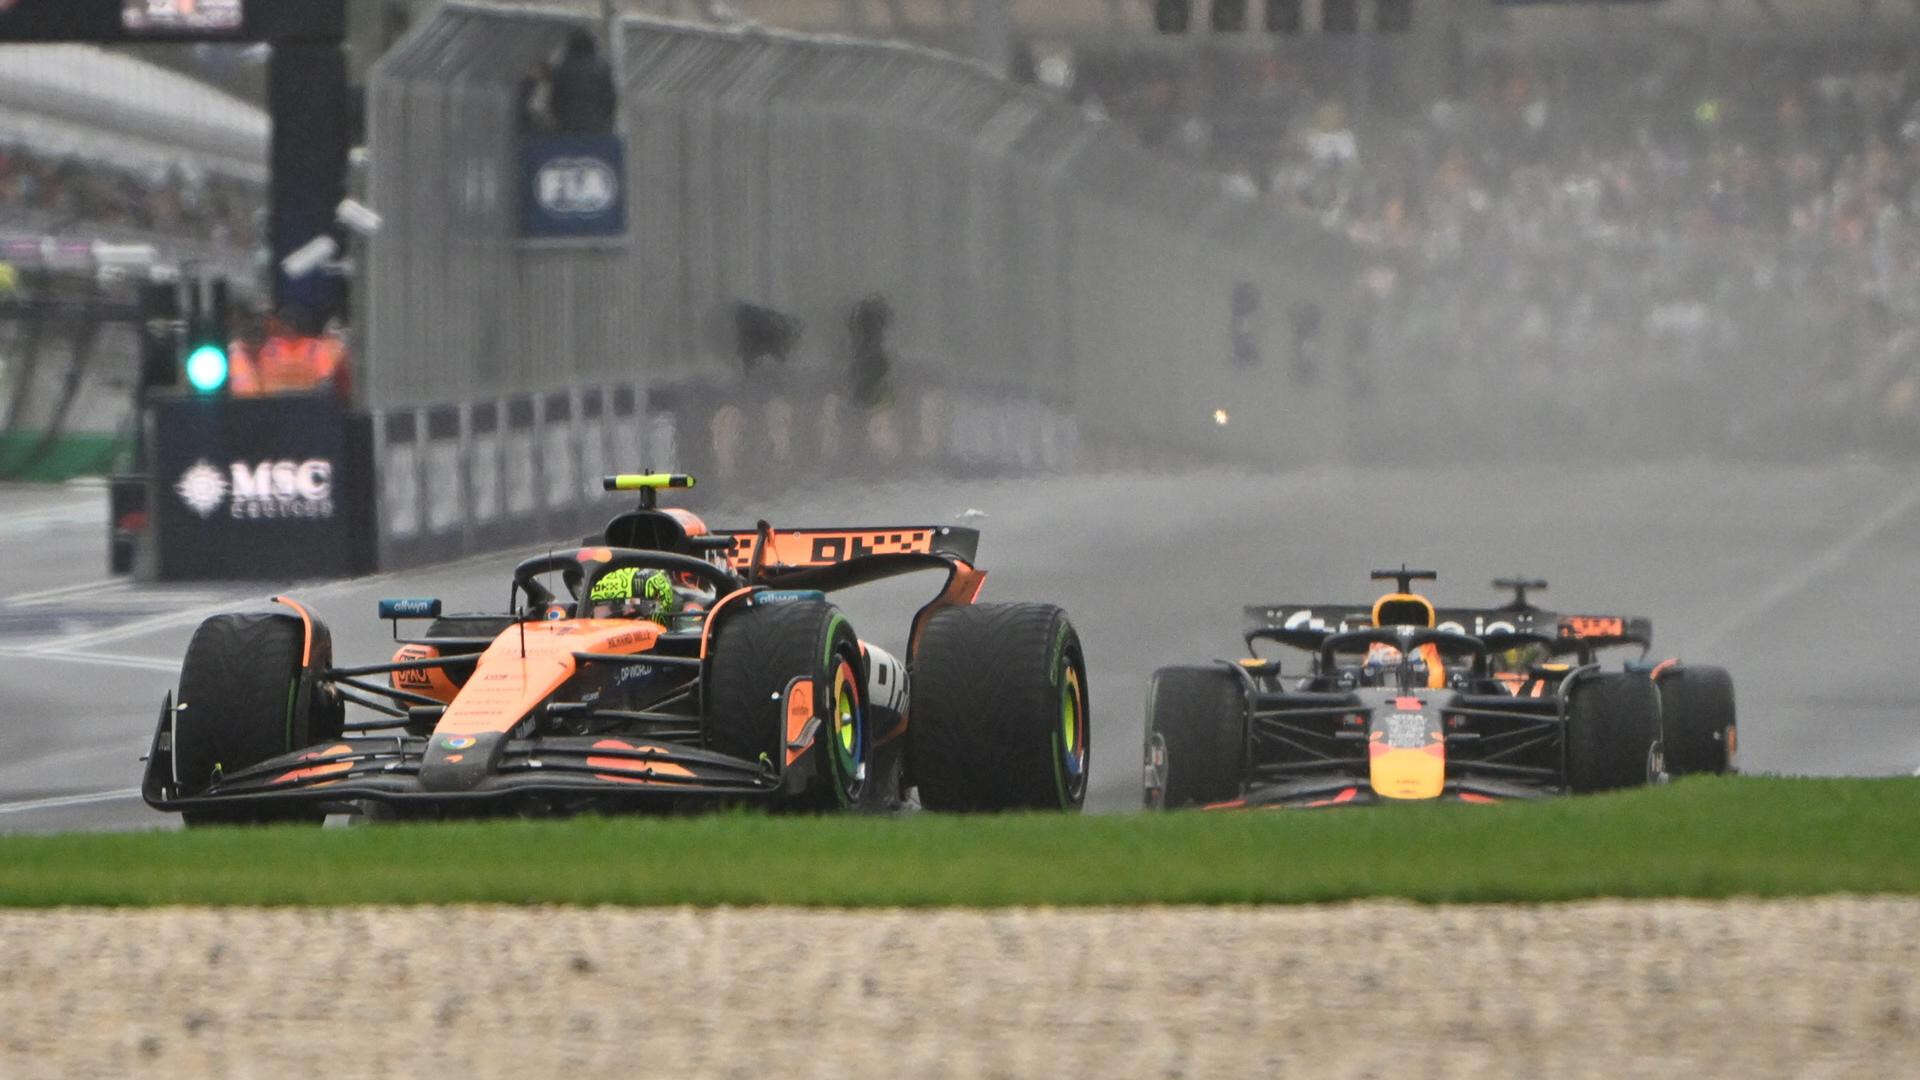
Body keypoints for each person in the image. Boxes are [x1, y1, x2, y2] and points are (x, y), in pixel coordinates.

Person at [550, 29, 616, 136]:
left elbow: (556, 98)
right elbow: (610, 99)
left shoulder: (562, 68)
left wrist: (560, 119)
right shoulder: (602, 68)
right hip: (597, 126)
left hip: (568, 125)